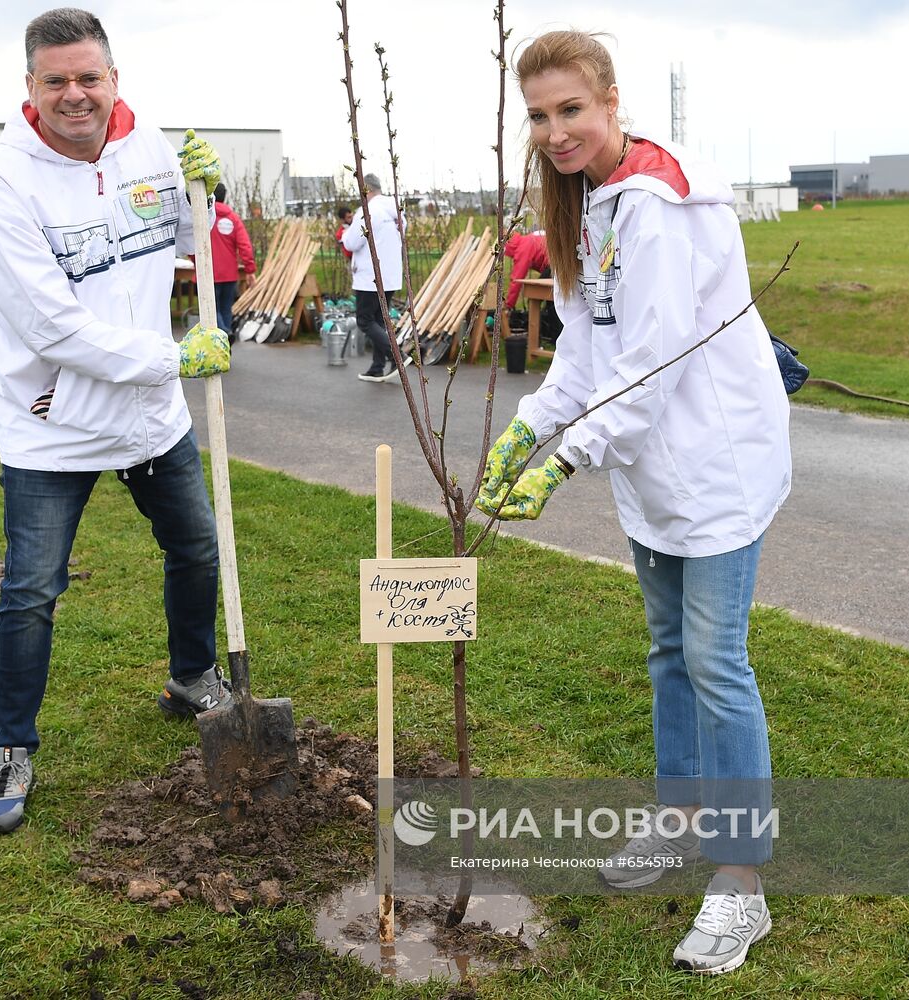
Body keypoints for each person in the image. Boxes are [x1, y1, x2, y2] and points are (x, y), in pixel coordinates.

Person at [475, 31, 791, 976]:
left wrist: (566, 460)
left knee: (714, 658)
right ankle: (680, 813)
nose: (555, 130)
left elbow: (650, 363)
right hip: (649, 467)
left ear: (611, 101)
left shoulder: (657, 205)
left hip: (713, 461)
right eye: (537, 115)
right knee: (666, 650)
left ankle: (739, 886)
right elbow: (587, 345)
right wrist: (531, 426)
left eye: (571, 109)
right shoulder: (589, 205)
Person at [0, 6, 230, 835]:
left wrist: (209, 193)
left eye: (89, 77)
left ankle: (192, 678)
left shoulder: (153, 150)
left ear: (114, 78)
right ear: (29, 88)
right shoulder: (0, 186)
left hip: (151, 416)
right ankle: (12, 747)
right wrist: (171, 358)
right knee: (33, 590)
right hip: (52, 422)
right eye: (56, 81)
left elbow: (199, 240)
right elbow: (50, 328)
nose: (74, 95)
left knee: (195, 547)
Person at [340, 174, 403, 383]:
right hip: (391, 275)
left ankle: (397, 357)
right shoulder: (396, 210)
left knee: (365, 320)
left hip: (371, 277)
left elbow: (351, 243)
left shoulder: (367, 212)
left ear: (365, 190)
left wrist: (344, 235)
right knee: (377, 320)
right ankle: (377, 367)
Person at [207, 182, 254, 340]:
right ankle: (226, 342)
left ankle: (224, 334)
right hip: (229, 274)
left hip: (209, 273)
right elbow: (244, 245)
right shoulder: (233, 218)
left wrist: (196, 263)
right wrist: (249, 270)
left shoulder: (203, 217)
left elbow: (193, 245)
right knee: (226, 309)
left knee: (212, 310)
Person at [502, 230, 549, 310]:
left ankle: (536, 320)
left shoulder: (522, 250)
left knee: (535, 297)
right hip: (557, 264)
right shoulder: (526, 240)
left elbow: (516, 280)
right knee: (547, 297)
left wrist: (508, 306)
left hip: (556, 266)